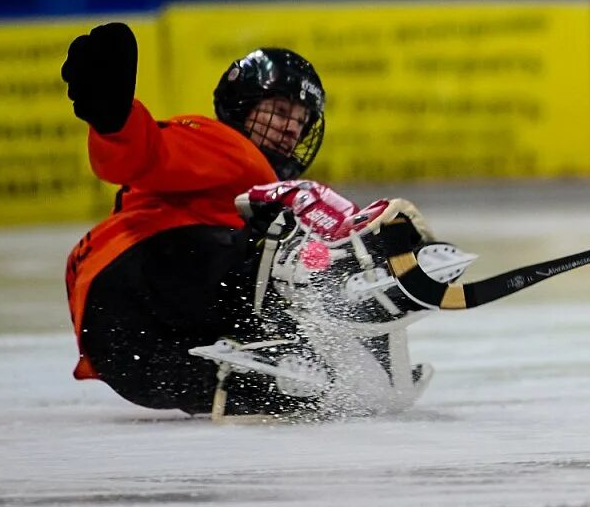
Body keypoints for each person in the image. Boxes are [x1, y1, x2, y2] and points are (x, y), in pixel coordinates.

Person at [62, 22, 457, 421]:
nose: (291, 127)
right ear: (241, 106)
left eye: (301, 120)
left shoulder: (250, 178)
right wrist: (114, 119)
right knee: (308, 252)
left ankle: (264, 375)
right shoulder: (230, 146)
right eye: (280, 110)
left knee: (251, 384)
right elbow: (145, 153)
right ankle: (369, 334)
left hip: (121, 349)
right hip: (145, 273)